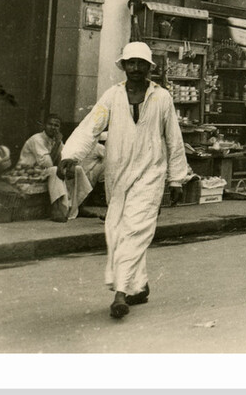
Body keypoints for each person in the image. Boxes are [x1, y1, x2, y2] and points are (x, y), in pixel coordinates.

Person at [59, 41, 190, 319]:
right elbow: (90, 127)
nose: (135, 68)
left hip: (151, 173)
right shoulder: (112, 96)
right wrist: (70, 155)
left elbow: (174, 139)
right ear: (124, 66)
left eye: (141, 63)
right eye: (131, 63)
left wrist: (177, 179)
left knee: (135, 229)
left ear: (149, 67)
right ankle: (138, 286)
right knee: (118, 230)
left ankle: (120, 293)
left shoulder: (162, 97)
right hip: (117, 174)